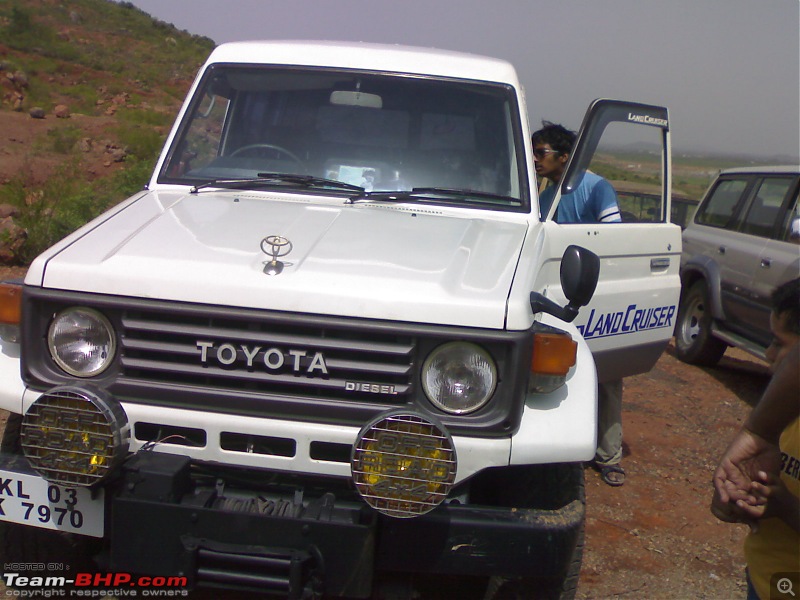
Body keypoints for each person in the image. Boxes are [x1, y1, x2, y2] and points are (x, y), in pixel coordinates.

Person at [531, 121, 625, 486]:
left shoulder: (596, 187)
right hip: (555, 295)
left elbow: (612, 236)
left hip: (593, 291)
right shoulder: (545, 196)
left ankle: (609, 455)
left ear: (564, 157)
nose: (536, 160)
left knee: (607, 374)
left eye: (542, 153)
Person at [711, 277, 800, 600]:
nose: (768, 353)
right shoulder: (781, 414)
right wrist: (733, 498)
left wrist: (787, 509)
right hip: (764, 578)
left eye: (779, 342)